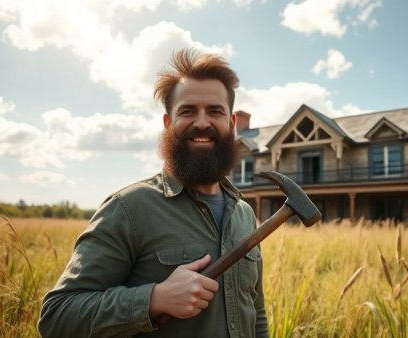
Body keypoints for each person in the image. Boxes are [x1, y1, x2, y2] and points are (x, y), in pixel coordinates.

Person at [38, 48, 268, 338]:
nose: (201, 122)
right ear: (167, 123)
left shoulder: (244, 214)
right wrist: (153, 299)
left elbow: (255, 311)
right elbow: (57, 317)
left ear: (232, 124)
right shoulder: (129, 209)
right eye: (187, 111)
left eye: (215, 111)